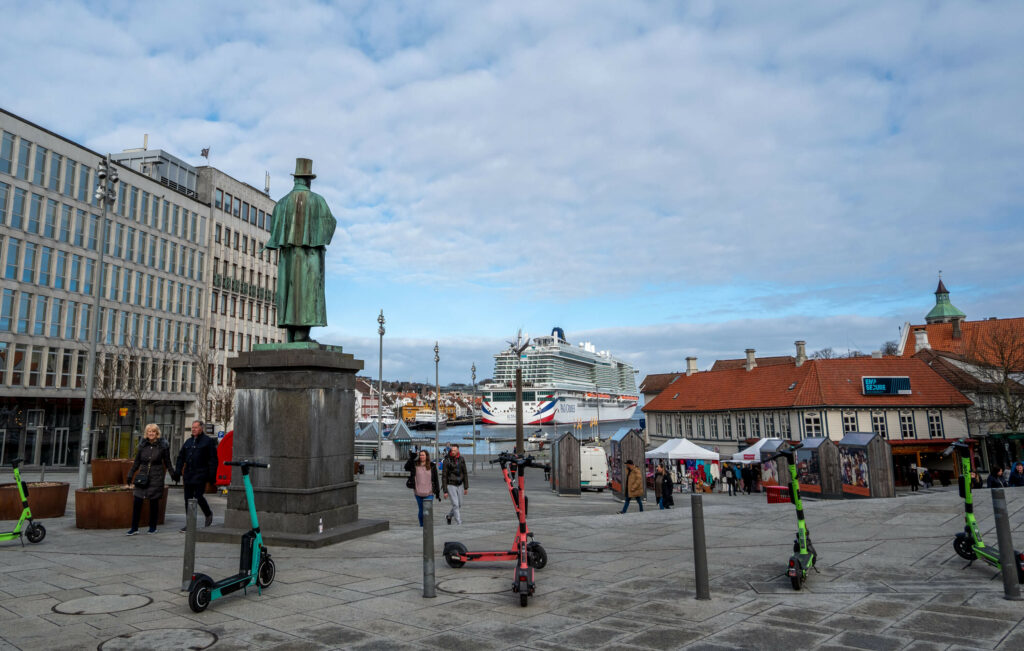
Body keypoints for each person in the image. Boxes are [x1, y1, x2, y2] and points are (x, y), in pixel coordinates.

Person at [263, 157, 337, 343]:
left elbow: (275, 233)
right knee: (308, 294)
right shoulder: (318, 201)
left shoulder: (281, 203)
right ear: (309, 180)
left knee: (289, 293)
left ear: (295, 179)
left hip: (288, 258)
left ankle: (293, 334)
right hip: (309, 257)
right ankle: (301, 334)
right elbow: (330, 225)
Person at [124, 424, 174, 535]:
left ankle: (153, 527)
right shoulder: (142, 446)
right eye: (149, 431)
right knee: (137, 500)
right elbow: (136, 462)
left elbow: (167, 462)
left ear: (157, 433)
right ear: (146, 433)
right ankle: (134, 528)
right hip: (143, 476)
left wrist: (173, 474)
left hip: (156, 476)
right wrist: (130, 475)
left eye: (153, 431)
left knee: (153, 502)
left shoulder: (163, 446)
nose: (151, 433)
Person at [173, 420, 218, 531]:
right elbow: (180, 458)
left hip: (201, 474)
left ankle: (208, 513)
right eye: (192, 427)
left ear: (201, 428)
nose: (193, 429)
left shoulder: (208, 441)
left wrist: (212, 476)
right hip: (188, 475)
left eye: (196, 427)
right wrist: (177, 472)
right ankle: (190, 524)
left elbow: (213, 460)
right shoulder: (188, 442)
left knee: (198, 496)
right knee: (187, 499)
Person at [405, 449, 440, 526]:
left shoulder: (432, 466)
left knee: (427, 510)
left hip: (429, 492)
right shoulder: (415, 464)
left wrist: (437, 492)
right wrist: (412, 458)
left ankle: (428, 525)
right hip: (418, 492)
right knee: (421, 510)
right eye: (420, 455)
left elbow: (436, 479)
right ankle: (422, 525)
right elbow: (406, 467)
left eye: (423, 455)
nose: (421, 456)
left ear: (426, 456)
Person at [441, 444, 469, 525]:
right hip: (450, 484)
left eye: (454, 450)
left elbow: (465, 473)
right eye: (452, 450)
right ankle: (459, 522)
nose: (452, 451)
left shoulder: (461, 459)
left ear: (458, 451)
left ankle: (449, 516)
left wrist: (466, 487)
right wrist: (445, 491)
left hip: (460, 485)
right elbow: (444, 476)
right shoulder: (447, 460)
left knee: (459, 504)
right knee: (455, 504)